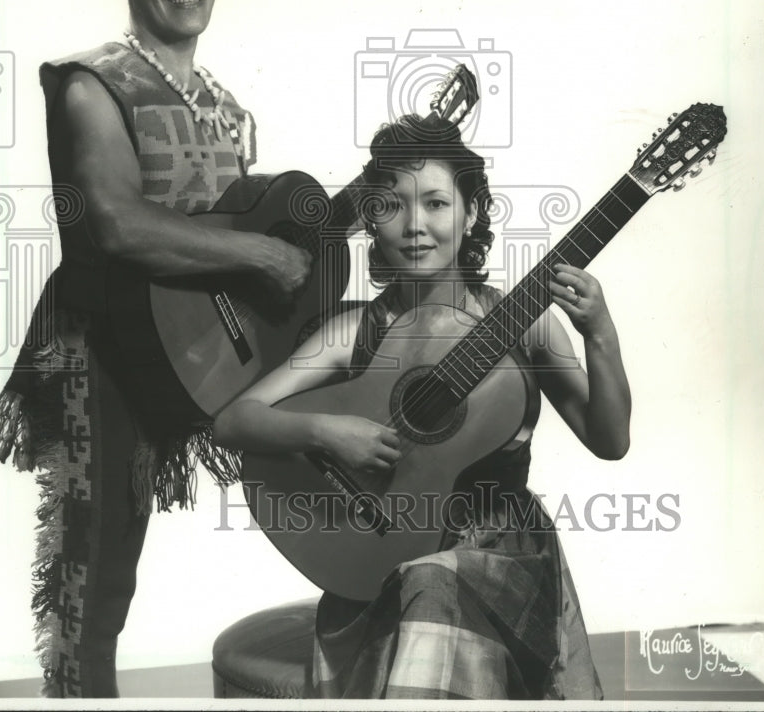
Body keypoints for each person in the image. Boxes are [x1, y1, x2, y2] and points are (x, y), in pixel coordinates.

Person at [0, 0, 311, 697]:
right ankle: (78, 696)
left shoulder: (231, 106)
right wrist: (261, 258)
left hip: (184, 346)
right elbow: (116, 225)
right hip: (98, 347)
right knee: (97, 547)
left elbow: (237, 231)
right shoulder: (92, 82)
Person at [213, 113, 631, 700]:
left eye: (436, 203)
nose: (415, 226)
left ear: (471, 214)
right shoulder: (355, 331)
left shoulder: (526, 325)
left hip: (500, 561)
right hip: (380, 558)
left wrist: (600, 336)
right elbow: (232, 420)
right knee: (423, 584)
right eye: (391, 206)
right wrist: (327, 431)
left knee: (432, 584)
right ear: (370, 220)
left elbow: (610, 441)